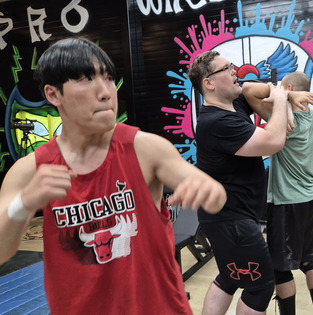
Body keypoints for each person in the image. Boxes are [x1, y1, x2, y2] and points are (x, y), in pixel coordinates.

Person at [0, 38, 227, 315]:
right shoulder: (30, 169)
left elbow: (213, 194)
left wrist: (209, 191)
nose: (106, 91)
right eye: (86, 79)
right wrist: (22, 204)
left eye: (107, 78)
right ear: (53, 94)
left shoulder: (146, 148)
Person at [187, 51, 313, 315]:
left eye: (231, 65)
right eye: (226, 69)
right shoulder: (216, 121)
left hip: (231, 217)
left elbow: (249, 88)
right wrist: (282, 98)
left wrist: (289, 94)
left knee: (229, 277)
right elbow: (273, 141)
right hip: (231, 221)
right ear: (209, 83)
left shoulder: (231, 104)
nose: (234, 70)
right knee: (260, 285)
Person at [264, 71, 313, 315]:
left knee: (281, 269)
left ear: (289, 88)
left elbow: (251, 92)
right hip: (310, 198)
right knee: (310, 261)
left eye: (283, 88)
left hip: (286, 203)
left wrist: (283, 99)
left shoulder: (284, 120)